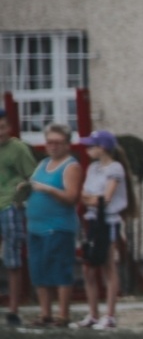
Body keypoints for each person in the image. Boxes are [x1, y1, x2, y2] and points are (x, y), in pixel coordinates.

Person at [77, 130, 136, 331]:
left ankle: (109, 315)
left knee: (108, 265)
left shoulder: (115, 168)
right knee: (89, 267)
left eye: (92, 146)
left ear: (102, 148)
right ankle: (93, 314)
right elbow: (85, 196)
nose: (88, 149)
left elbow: (105, 198)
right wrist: (93, 199)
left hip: (108, 221)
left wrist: (94, 199)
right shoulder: (93, 168)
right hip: (93, 219)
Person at [25, 123, 82, 328]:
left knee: (59, 269)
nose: (53, 146)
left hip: (58, 226)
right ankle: (45, 313)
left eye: (58, 142)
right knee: (39, 270)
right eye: (49, 142)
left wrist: (48, 189)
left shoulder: (70, 166)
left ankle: (63, 315)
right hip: (36, 226)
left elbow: (71, 197)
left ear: (67, 144)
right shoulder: (42, 164)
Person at [0, 114, 36, 328]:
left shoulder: (19, 149)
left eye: (2, 127)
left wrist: (20, 196)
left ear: (9, 127)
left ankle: (13, 309)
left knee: (12, 260)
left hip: (9, 207)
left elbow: (32, 177)